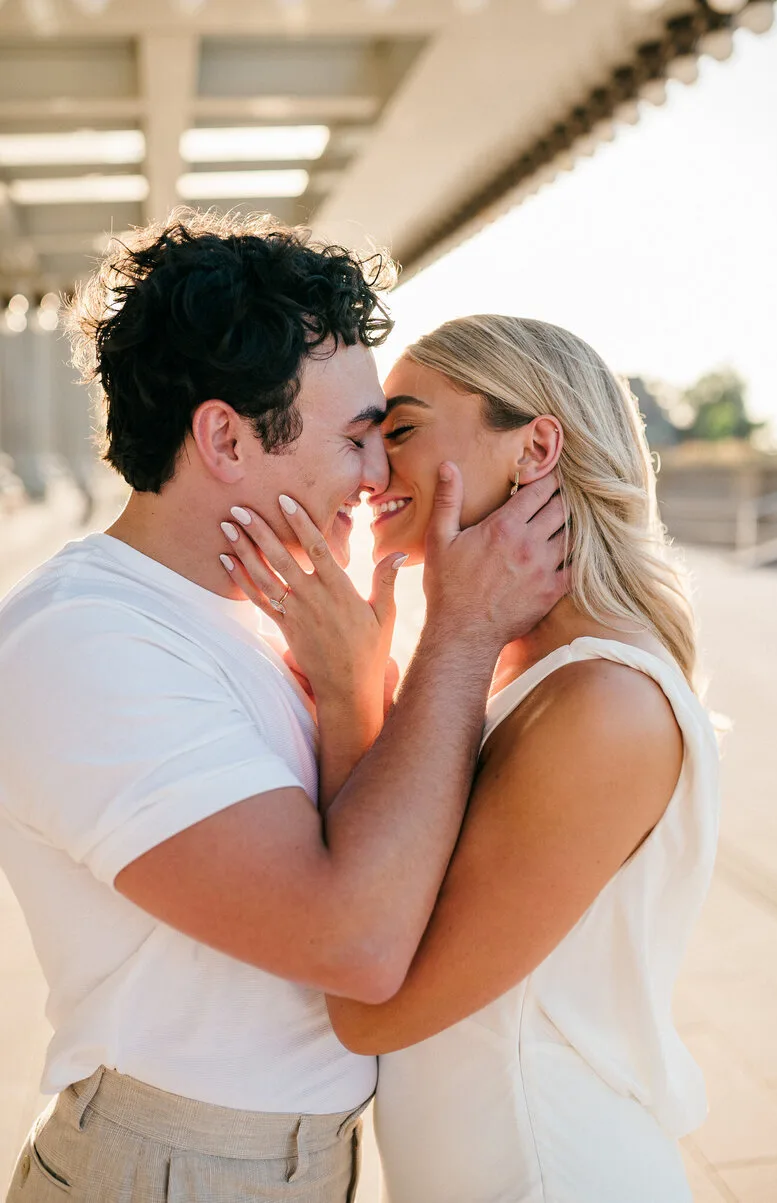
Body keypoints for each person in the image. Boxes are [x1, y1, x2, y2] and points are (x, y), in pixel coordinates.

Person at [0, 220, 568, 1203]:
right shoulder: (82, 643)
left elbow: (370, 853)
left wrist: (355, 690)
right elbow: (353, 944)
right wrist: (459, 640)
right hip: (173, 1170)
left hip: (281, 1161)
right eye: (355, 437)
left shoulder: (262, 615)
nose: (377, 476)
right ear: (223, 435)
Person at [227, 314, 720, 1203]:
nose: (373, 469)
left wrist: (351, 703)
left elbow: (372, 1002)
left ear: (535, 448)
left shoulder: (603, 705)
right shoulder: (524, 672)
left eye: (402, 430)